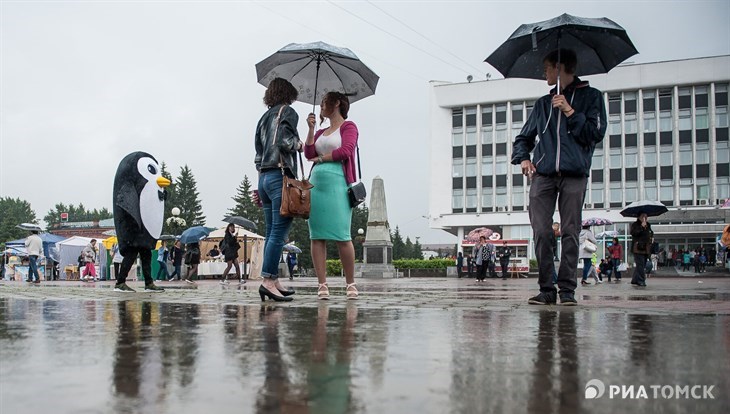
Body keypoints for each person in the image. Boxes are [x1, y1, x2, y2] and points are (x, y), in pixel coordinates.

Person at [512, 48, 607, 305]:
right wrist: (523, 158)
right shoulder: (543, 104)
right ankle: (546, 289)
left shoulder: (592, 97)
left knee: (570, 232)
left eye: (547, 68)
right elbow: (524, 137)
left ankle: (567, 290)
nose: (544, 73)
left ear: (560, 67)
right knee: (541, 231)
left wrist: (569, 111)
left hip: (574, 174)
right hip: (542, 175)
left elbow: (594, 134)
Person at [305, 91, 359, 300]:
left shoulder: (349, 126)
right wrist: (311, 130)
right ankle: (322, 284)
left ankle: (350, 283)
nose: (320, 106)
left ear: (336, 103)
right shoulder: (320, 132)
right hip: (316, 183)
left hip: (338, 181)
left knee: (342, 235)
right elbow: (309, 153)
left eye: (323, 102)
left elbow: (346, 150)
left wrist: (322, 159)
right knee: (316, 236)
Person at [254, 77, 301, 302]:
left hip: (263, 177)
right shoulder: (288, 112)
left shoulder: (263, 118)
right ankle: (267, 281)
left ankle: (273, 280)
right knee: (278, 234)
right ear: (288, 94)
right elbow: (284, 141)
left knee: (271, 232)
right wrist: (299, 144)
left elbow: (258, 153)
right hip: (280, 177)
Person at [630, 213, 653, 287]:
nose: (645, 218)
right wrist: (641, 227)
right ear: (639, 217)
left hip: (646, 248)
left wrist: (651, 236)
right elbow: (633, 233)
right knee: (640, 264)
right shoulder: (635, 225)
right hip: (638, 248)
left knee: (642, 265)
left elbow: (650, 233)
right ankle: (641, 280)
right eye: (643, 216)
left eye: (646, 216)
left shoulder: (648, 225)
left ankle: (634, 279)